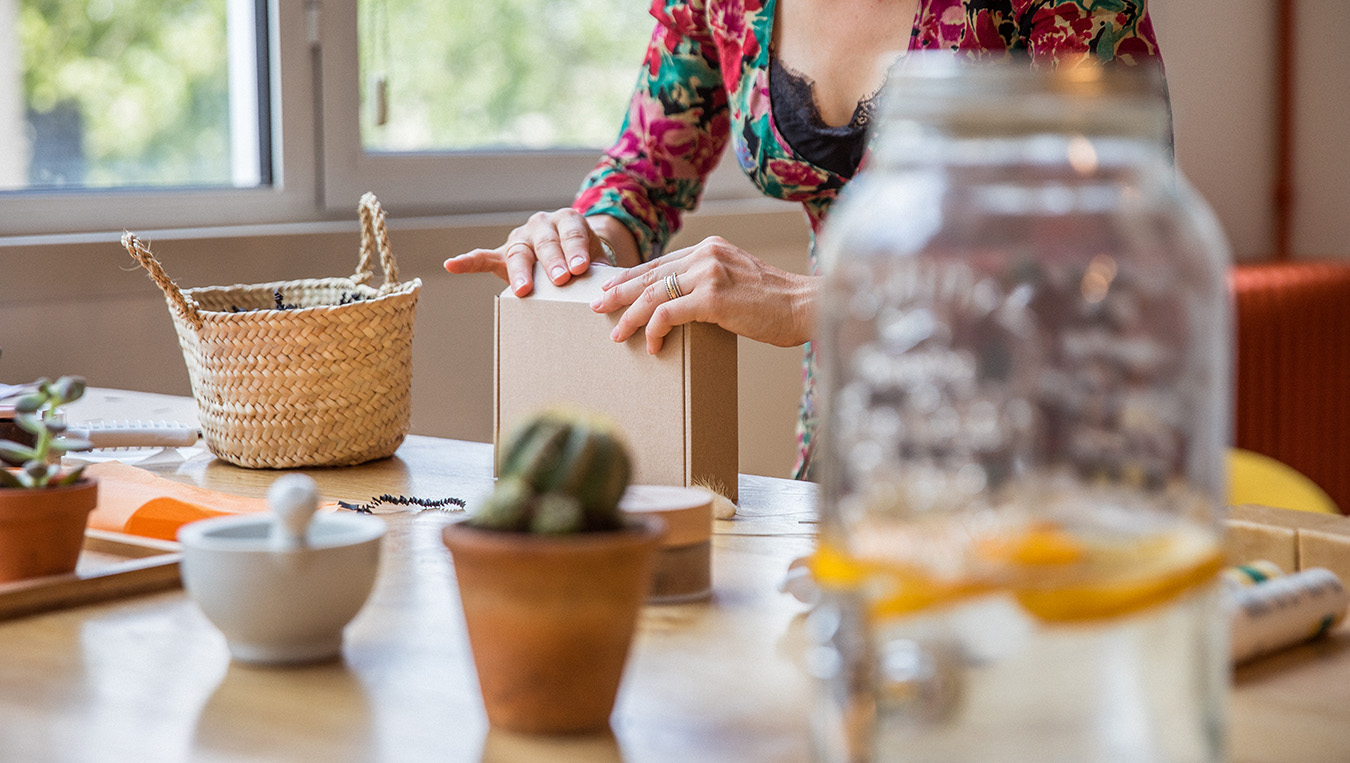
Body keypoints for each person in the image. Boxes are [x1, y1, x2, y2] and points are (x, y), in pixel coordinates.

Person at [444, 0, 1165, 480]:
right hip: (851, 442)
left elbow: (1122, 236)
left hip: (1050, 442)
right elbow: (644, 175)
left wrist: (817, 301)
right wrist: (584, 239)